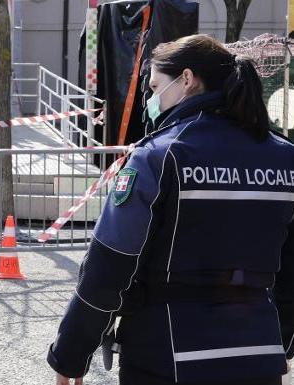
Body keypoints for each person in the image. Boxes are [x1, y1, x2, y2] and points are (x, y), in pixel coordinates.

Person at [48, 34, 294, 385]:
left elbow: (109, 266)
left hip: (166, 355)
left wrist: (71, 354)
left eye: (154, 86)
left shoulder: (159, 156)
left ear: (187, 80)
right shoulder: (284, 156)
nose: (151, 98)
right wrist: (280, 342)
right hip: (257, 354)